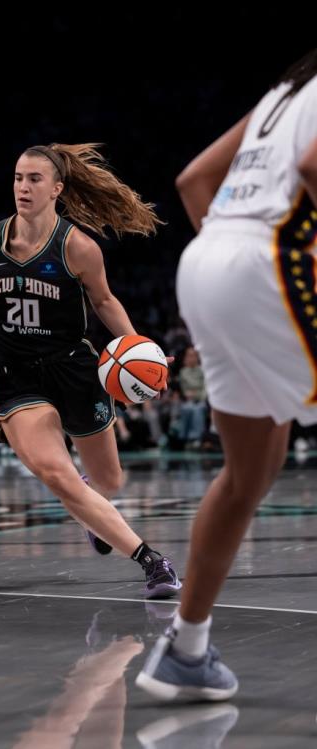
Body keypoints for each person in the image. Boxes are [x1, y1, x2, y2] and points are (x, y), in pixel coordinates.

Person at [136, 50, 317, 700]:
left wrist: (238, 268)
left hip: (207, 260)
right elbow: (311, 165)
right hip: (271, 263)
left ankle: (186, 649)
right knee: (248, 475)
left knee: (251, 474)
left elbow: (191, 181)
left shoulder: (281, 95)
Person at [0, 142, 181, 598]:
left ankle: (93, 503)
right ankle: (153, 562)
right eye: (18, 178)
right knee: (55, 472)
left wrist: (143, 350)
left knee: (108, 482)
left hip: (73, 370)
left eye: (34, 179)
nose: (23, 187)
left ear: (57, 189)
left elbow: (104, 302)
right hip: (15, 375)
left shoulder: (78, 247)